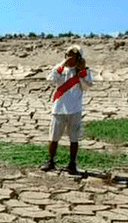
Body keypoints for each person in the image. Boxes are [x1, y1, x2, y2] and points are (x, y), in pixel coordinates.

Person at [40, 45, 93, 175]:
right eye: (68, 55)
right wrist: (62, 65)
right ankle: (51, 161)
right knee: (53, 138)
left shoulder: (83, 71)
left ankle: (72, 164)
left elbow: (87, 86)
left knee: (74, 139)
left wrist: (82, 71)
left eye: (73, 56)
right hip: (58, 109)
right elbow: (50, 79)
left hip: (74, 110)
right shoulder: (60, 70)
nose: (70, 58)